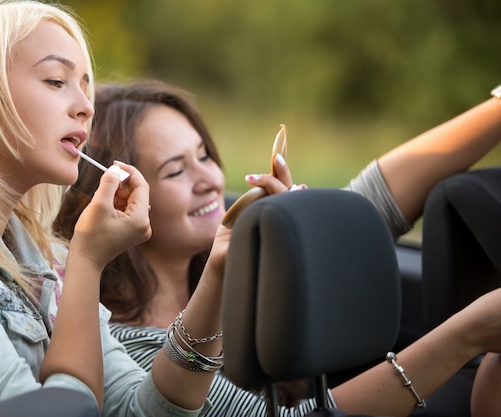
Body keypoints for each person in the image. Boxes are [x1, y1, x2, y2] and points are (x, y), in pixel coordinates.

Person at [53, 79, 501, 417]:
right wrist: (466, 335)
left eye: (204, 155)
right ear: (114, 199)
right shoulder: (126, 349)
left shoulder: (235, 266)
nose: (210, 179)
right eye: (175, 171)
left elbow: (369, 204)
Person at [0, 2, 239, 416]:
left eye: (85, 85)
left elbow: (143, 411)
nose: (86, 105)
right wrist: (88, 262)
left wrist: (218, 269)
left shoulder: (38, 253)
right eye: (56, 80)